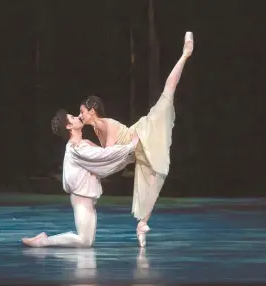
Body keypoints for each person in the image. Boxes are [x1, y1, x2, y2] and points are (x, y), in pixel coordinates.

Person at [79, 32, 194, 247]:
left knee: (167, 96)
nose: (80, 116)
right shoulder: (96, 130)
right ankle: (142, 225)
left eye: (82, 112)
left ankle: (185, 54)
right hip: (135, 151)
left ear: (92, 110)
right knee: (149, 184)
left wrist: (88, 160)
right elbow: (109, 156)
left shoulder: (106, 124)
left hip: (143, 134)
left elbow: (111, 155)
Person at [21, 109, 138, 248]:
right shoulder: (76, 149)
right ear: (69, 126)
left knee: (87, 241)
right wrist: (130, 147)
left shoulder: (84, 144)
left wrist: (129, 157)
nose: (78, 117)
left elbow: (104, 162)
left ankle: (44, 240)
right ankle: (43, 241)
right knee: (84, 241)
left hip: (88, 199)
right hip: (81, 198)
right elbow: (104, 156)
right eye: (73, 117)